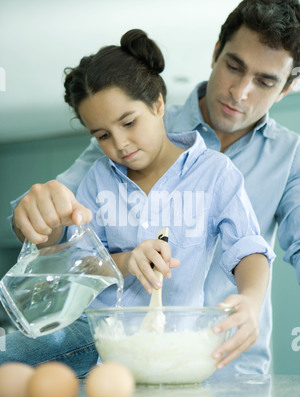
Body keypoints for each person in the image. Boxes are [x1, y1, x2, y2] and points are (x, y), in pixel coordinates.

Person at [9, 0, 300, 375]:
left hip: (230, 362)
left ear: (288, 87)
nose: (240, 92)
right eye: (234, 66)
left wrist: (250, 300)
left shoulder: (278, 158)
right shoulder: (116, 150)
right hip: (118, 357)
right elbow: (63, 230)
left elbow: (252, 248)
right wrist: (36, 215)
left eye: (265, 81)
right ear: (216, 52)